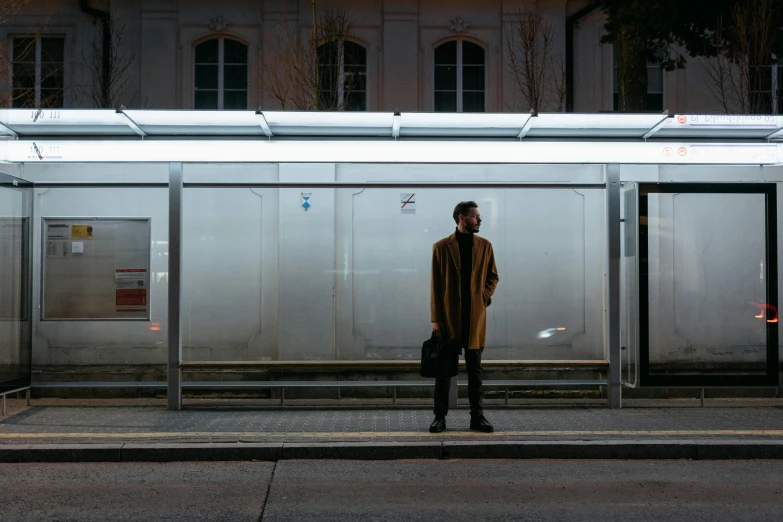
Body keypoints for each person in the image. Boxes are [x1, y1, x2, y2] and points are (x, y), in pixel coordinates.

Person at [429, 201, 499, 433]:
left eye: (479, 217)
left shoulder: (485, 246)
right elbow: (436, 286)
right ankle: (439, 417)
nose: (479, 220)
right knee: (444, 372)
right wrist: (436, 318)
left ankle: (477, 417)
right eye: (475, 216)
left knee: (475, 371)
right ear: (461, 218)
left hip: (474, 318)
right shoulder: (441, 247)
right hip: (449, 318)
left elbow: (493, 277)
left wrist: (483, 297)